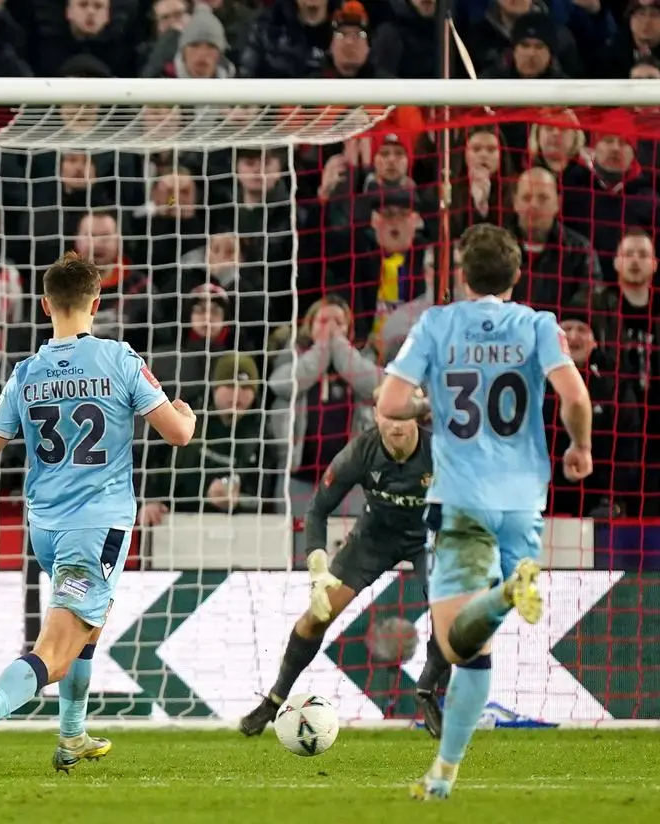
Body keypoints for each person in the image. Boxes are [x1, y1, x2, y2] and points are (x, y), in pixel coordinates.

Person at [0, 251, 197, 778]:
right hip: (97, 526)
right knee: (56, 652)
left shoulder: (27, 372)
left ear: (45, 305)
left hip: (44, 528)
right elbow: (177, 435)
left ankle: (72, 736)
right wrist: (186, 413)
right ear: (97, 302)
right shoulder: (121, 359)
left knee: (90, 624)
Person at [377, 223, 593, 800]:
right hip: (524, 502)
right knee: (477, 654)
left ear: (461, 276)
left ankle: (502, 593)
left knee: (456, 647)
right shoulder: (539, 325)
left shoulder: (438, 323)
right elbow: (574, 397)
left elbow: (392, 403)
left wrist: (433, 399)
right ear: (517, 276)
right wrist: (580, 448)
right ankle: (442, 777)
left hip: (461, 501)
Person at [238, 388, 437, 737]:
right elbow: (316, 509)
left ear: (419, 417)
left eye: (404, 418)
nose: (396, 427)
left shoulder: (442, 452)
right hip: (373, 541)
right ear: (376, 415)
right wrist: (317, 571)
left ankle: (429, 694)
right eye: (389, 417)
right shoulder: (361, 451)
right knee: (317, 615)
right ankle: (274, 699)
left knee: (450, 621)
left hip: (430, 540)